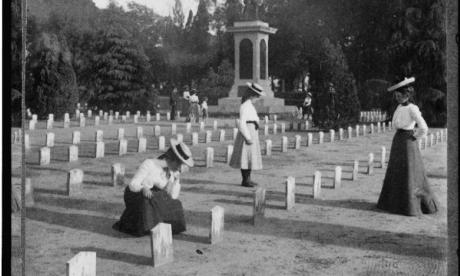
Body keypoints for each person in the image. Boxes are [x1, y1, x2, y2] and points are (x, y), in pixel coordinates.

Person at [376, 77, 438, 216]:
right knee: (397, 171)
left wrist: (414, 137)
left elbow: (424, 127)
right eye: (396, 96)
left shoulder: (412, 108)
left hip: (408, 141)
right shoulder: (399, 107)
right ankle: (395, 204)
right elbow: (396, 123)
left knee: (409, 173)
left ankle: (409, 206)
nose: (397, 98)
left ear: (407, 95)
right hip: (398, 140)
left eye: (400, 95)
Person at [113, 139, 194, 236]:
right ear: (172, 159)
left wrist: (176, 180)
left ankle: (159, 226)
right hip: (136, 194)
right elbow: (133, 184)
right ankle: (147, 226)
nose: (180, 168)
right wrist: (143, 188)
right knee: (148, 201)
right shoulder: (150, 164)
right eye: (179, 164)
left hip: (154, 196)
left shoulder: (172, 172)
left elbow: (172, 196)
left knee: (176, 204)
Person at [229, 82, 265, 187]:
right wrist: (248, 137)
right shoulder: (245, 106)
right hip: (247, 133)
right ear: (252, 95)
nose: (257, 98)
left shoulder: (250, 105)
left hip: (252, 131)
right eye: (257, 96)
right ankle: (245, 180)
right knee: (245, 157)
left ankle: (248, 178)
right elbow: (242, 123)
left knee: (250, 157)